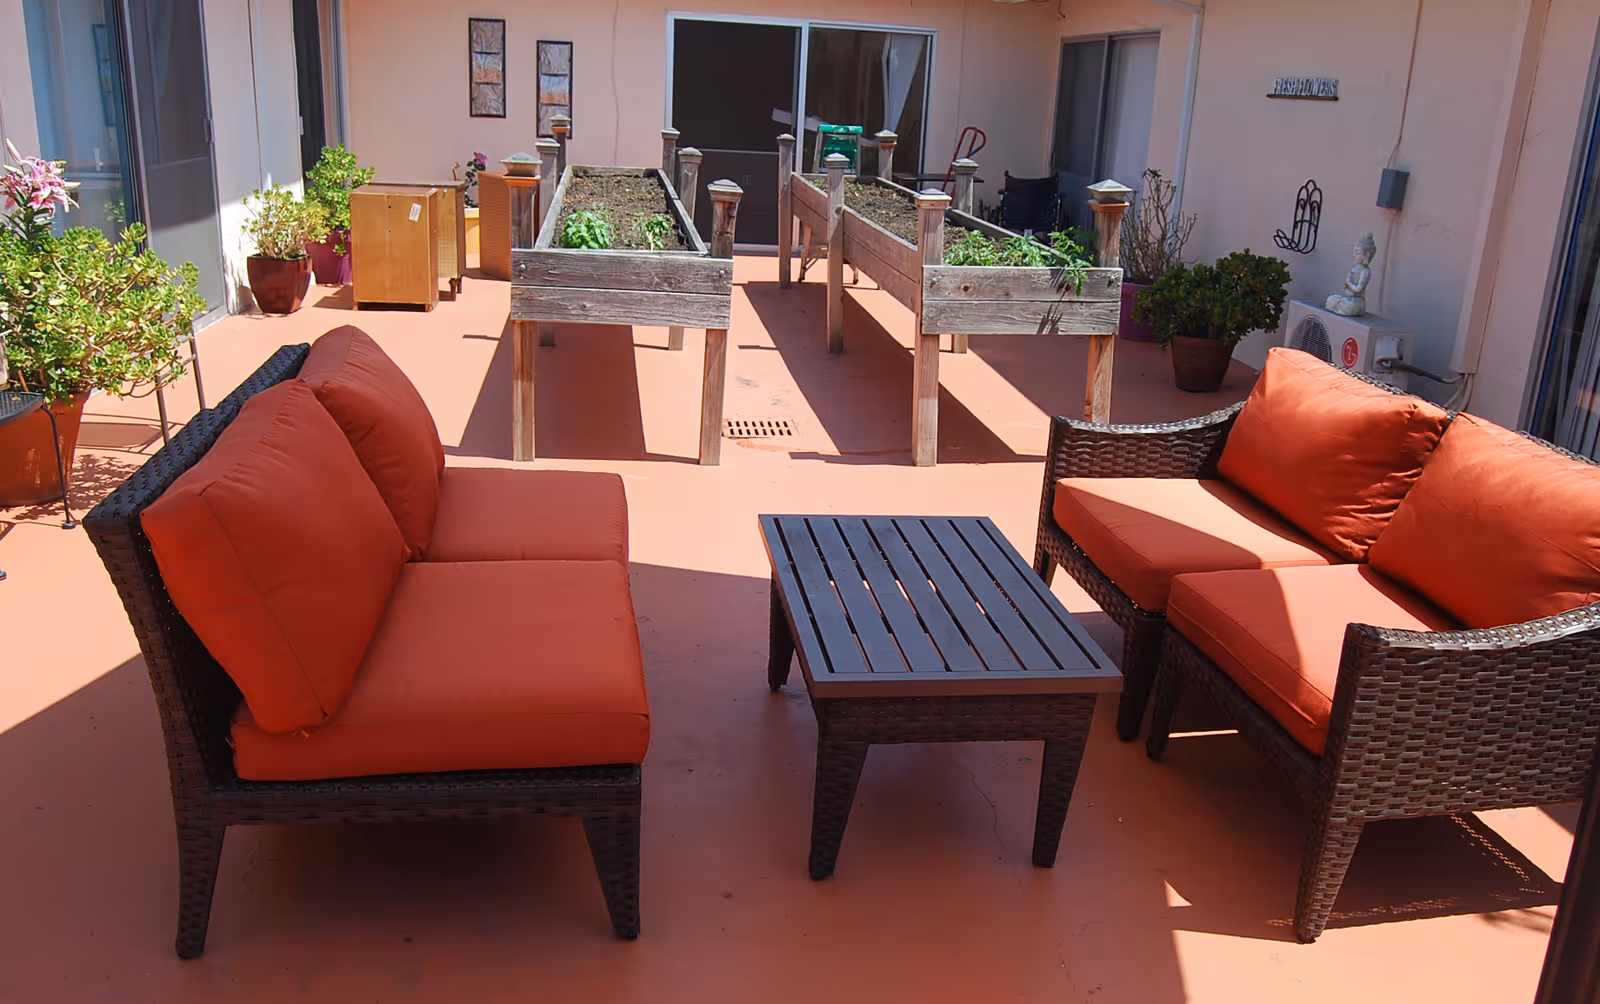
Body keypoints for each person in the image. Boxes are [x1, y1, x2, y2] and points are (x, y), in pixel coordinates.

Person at [1325, 233, 1376, 316]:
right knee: (1331, 299)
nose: (1354, 255)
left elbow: (1358, 289)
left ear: (1366, 255)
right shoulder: (1355, 269)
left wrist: (1348, 283)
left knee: (1350, 307)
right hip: (1348, 298)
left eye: (1358, 253)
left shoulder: (1365, 271)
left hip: (1357, 301)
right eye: (1354, 252)